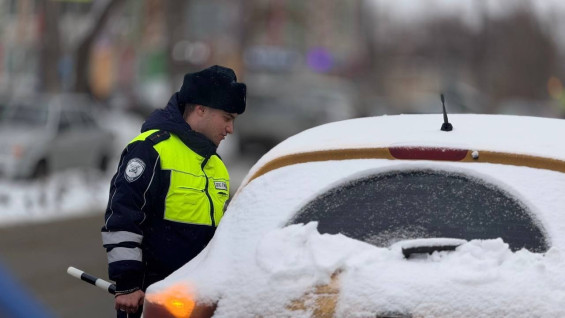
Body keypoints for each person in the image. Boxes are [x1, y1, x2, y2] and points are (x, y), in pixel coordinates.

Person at [101, 65, 246, 317]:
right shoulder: (151, 150)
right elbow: (122, 219)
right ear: (201, 109)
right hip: (153, 302)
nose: (230, 129)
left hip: (198, 302)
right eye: (227, 118)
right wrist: (128, 284)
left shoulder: (216, 166)